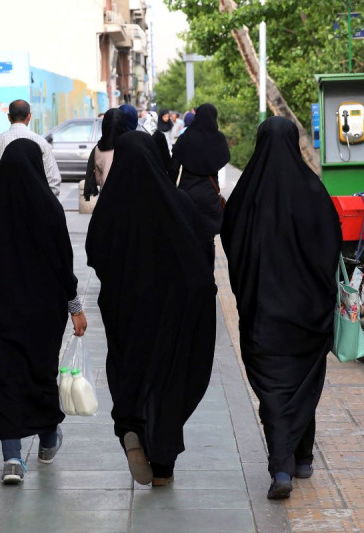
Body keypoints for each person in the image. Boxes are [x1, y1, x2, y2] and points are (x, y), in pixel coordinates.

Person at [86, 131, 216, 487]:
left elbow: (93, 252)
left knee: (130, 372)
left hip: (124, 312)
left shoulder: (111, 205)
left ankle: (130, 427)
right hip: (172, 313)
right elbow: (202, 256)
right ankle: (163, 467)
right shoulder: (178, 202)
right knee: (168, 382)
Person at [221, 117, 341, 500]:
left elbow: (231, 246)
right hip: (309, 316)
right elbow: (332, 247)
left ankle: (282, 467)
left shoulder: (246, 196)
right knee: (304, 381)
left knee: (274, 389)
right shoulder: (313, 193)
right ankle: (302, 458)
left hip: (263, 315)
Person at [0, 138, 87, 485]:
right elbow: (64, 263)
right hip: (43, 316)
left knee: (3, 378)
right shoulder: (48, 207)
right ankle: (47, 441)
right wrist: (74, 307)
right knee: (39, 374)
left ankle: (13, 458)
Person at [171, 103, 230, 265]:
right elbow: (224, 159)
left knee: (188, 239)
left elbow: (173, 168)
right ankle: (208, 277)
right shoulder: (218, 139)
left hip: (187, 196)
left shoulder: (185, 138)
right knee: (208, 239)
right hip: (210, 196)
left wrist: (170, 191)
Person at [0, 99, 61, 195]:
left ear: (9, 117)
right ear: (29, 116)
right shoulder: (41, 142)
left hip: (4, 206)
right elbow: (53, 180)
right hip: (35, 206)